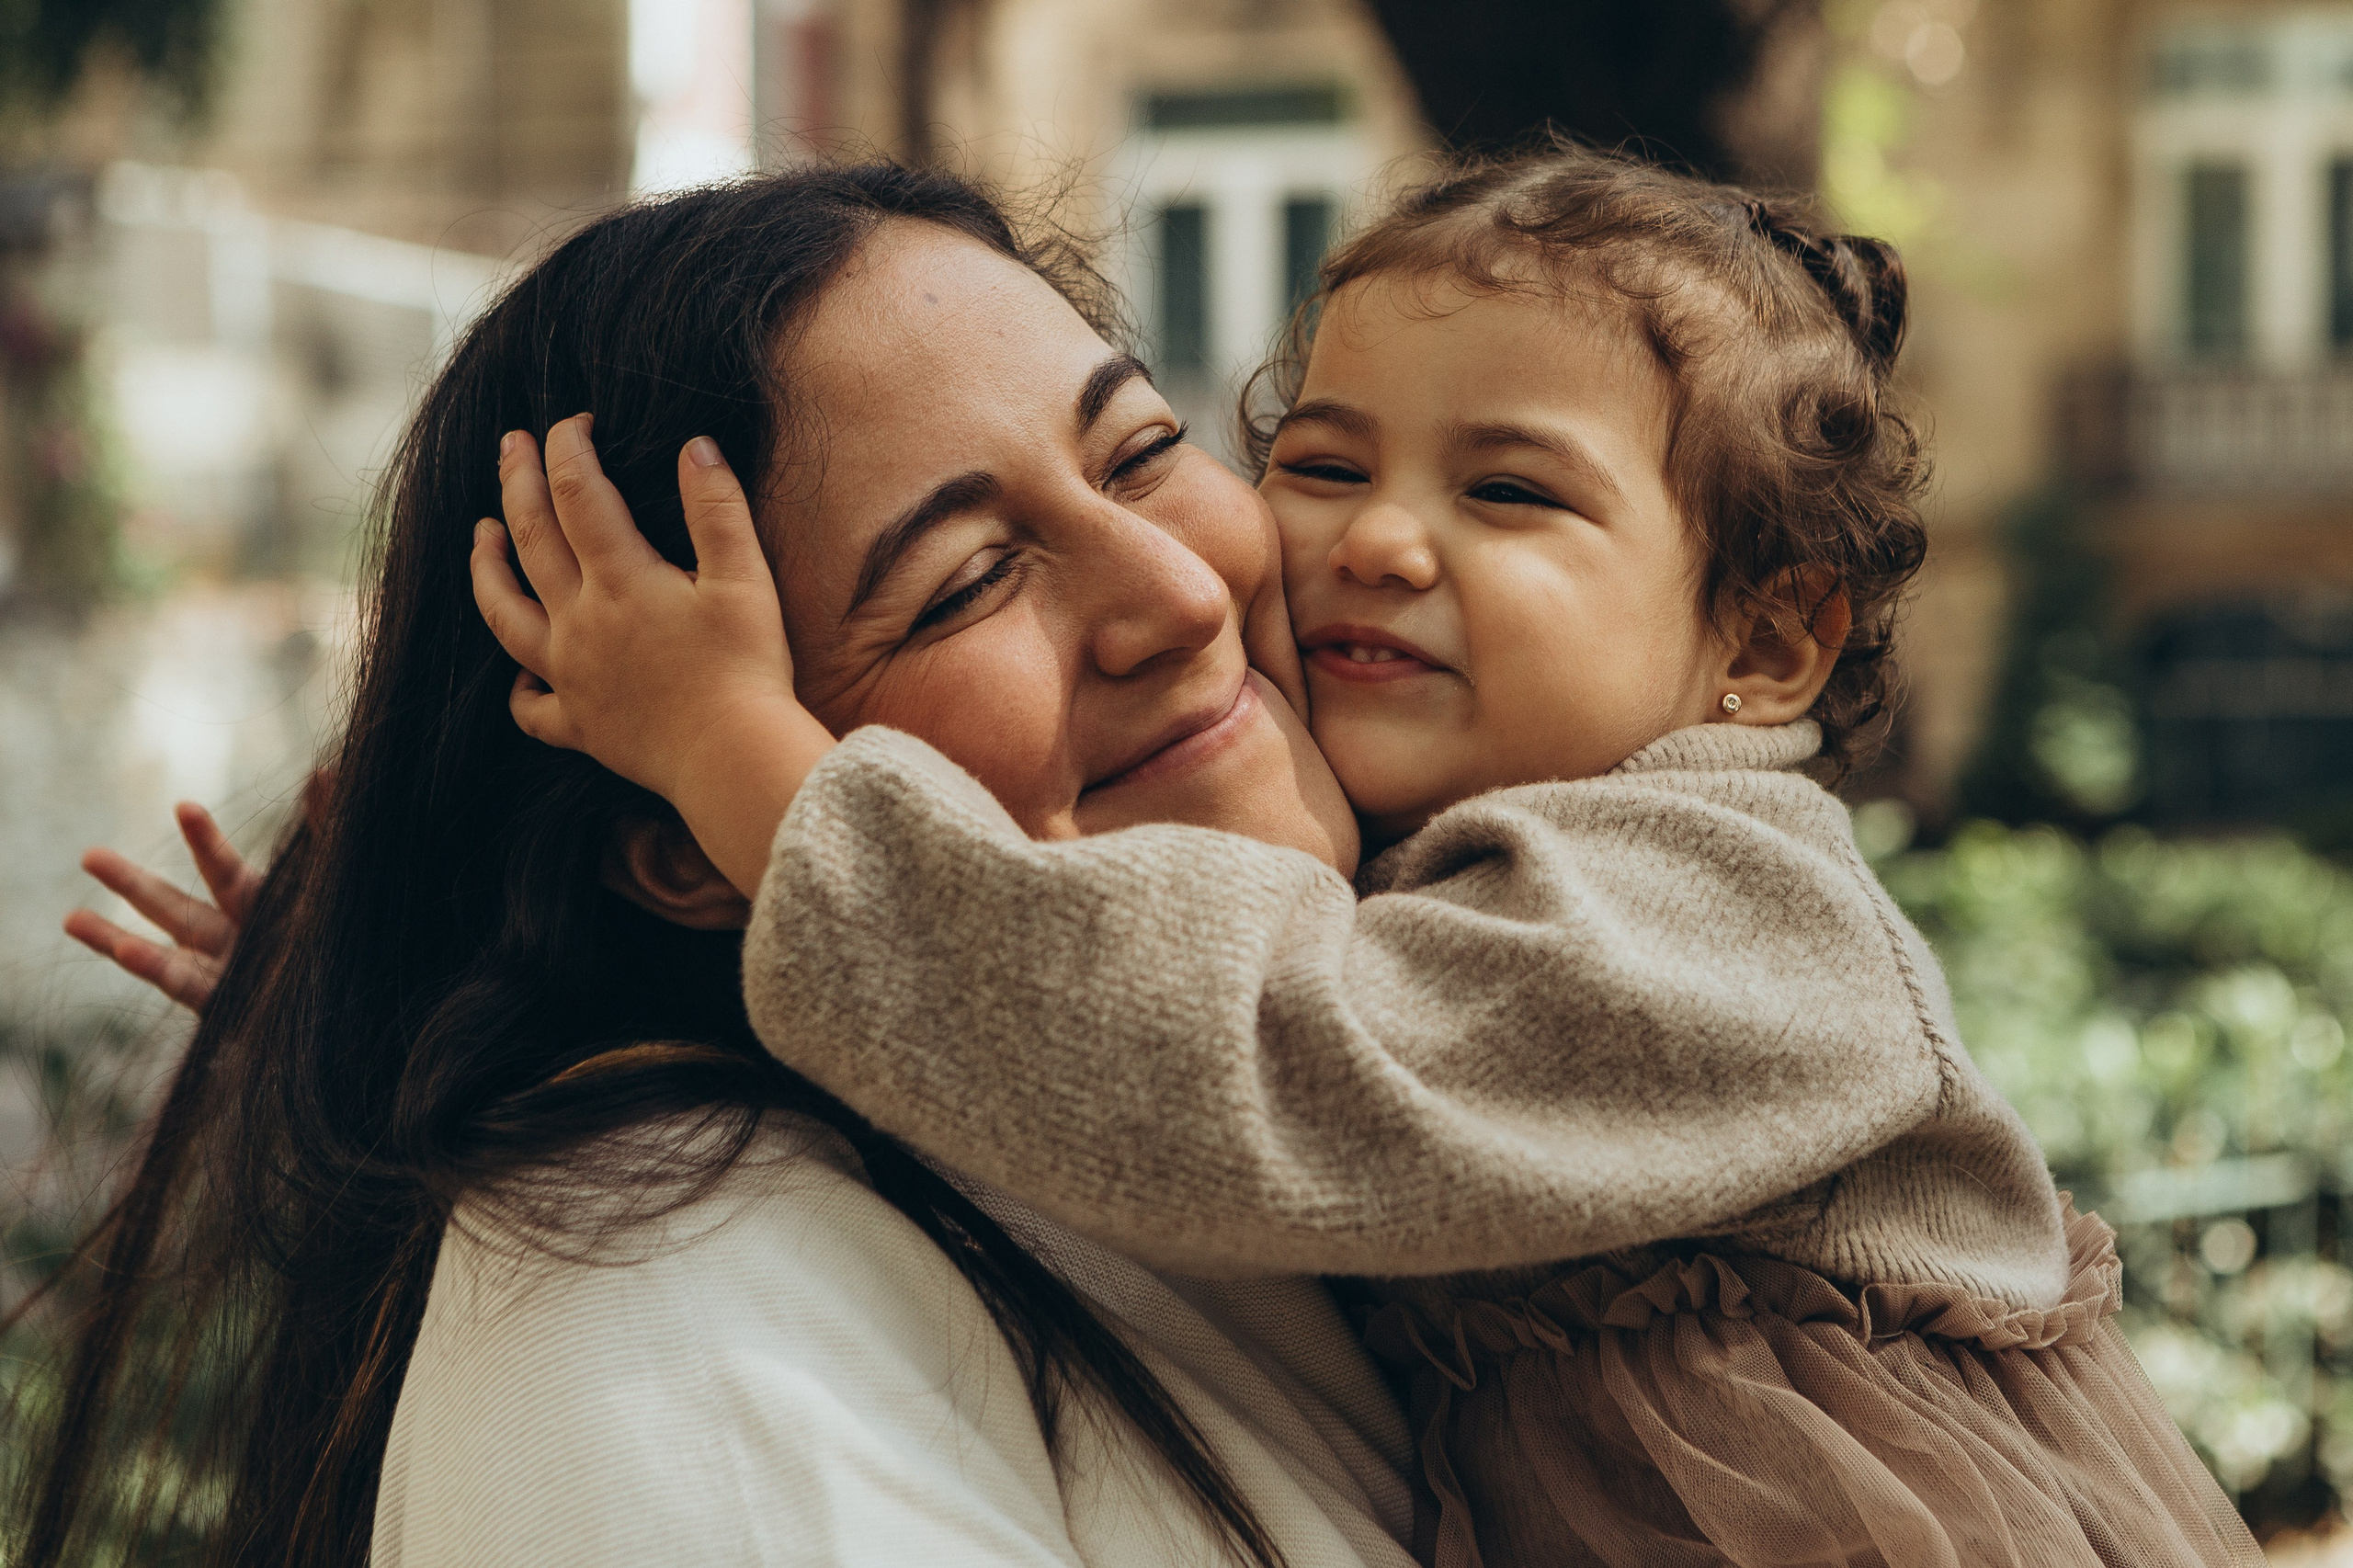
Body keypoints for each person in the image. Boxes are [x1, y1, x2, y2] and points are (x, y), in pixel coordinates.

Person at [475, 146, 2264, 1567]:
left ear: (1768, 642)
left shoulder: (1728, 903)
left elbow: (1240, 1048)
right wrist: (475, 931)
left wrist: (742, 765)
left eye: (1507, 494)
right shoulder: (680, 1342)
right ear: (665, 867)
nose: (1353, 553)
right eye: (1321, 463)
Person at [27, 164, 1415, 1568]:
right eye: (965, 582)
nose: (1181, 595)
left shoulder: (1461, 947)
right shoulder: (687, 1338)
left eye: (1141, 450)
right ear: (690, 850)